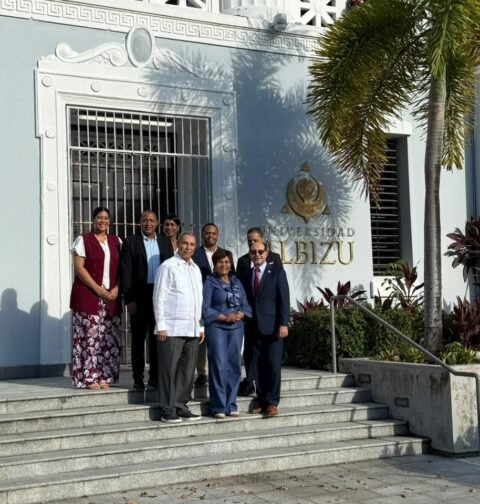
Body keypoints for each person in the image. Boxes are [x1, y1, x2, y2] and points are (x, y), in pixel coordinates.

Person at [153, 232, 204, 423]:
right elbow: (159, 297)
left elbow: (199, 299)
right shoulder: (168, 266)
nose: (188, 247)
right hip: (172, 328)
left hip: (192, 328)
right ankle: (167, 410)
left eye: (192, 244)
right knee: (169, 370)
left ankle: (181, 405)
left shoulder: (195, 268)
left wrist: (201, 326)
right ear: (178, 244)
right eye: (185, 243)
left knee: (187, 371)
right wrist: (161, 325)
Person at [120, 210, 174, 390]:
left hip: (159, 295)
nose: (148, 223)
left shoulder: (165, 242)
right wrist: (129, 300)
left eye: (151, 220)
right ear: (140, 222)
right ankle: (137, 378)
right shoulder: (131, 242)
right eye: (145, 220)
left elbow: (170, 269)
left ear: (157, 223)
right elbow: (125, 272)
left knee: (157, 337)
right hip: (139, 295)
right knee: (138, 339)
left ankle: (154, 378)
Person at [70, 207, 122, 390]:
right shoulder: (83, 240)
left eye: (106, 218)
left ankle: (104, 376)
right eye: (99, 217)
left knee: (108, 337)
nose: (103, 221)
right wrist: (98, 289)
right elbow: (79, 268)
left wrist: (117, 288)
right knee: (89, 337)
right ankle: (88, 377)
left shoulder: (117, 241)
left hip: (111, 297)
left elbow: (123, 268)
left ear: (110, 221)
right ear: (93, 220)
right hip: (89, 295)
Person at [241, 240, 290, 417]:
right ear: (250, 254)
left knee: (273, 365)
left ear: (266, 253)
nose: (257, 255)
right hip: (253, 327)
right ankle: (261, 400)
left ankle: (272, 402)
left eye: (260, 251)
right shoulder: (247, 274)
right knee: (258, 366)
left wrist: (283, 323)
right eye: (254, 252)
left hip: (273, 327)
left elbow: (284, 298)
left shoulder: (276, 271)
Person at [202, 249, 251, 419]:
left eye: (227, 262)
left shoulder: (237, 282)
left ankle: (231, 405)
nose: (224, 265)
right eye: (220, 262)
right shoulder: (209, 282)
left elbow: (245, 305)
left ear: (231, 265)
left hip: (236, 328)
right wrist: (224, 317)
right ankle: (218, 406)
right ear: (214, 265)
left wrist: (241, 314)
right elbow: (205, 307)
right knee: (219, 365)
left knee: (234, 365)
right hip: (217, 327)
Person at [236, 227, 282, 396]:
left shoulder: (274, 259)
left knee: (270, 360)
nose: (252, 244)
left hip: (269, 320)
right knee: (251, 353)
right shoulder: (242, 261)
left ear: (263, 241)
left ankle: (270, 398)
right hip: (250, 319)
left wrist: (282, 322)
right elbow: (240, 288)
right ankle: (250, 381)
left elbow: (280, 291)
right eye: (249, 242)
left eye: (255, 240)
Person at [192, 223, 235, 387]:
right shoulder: (195, 254)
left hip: (221, 302)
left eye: (213, 233)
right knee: (202, 338)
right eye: (207, 233)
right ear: (203, 234)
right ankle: (202, 373)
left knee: (219, 338)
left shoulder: (225, 254)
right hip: (202, 301)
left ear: (218, 235)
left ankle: (219, 370)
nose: (210, 235)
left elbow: (232, 277)